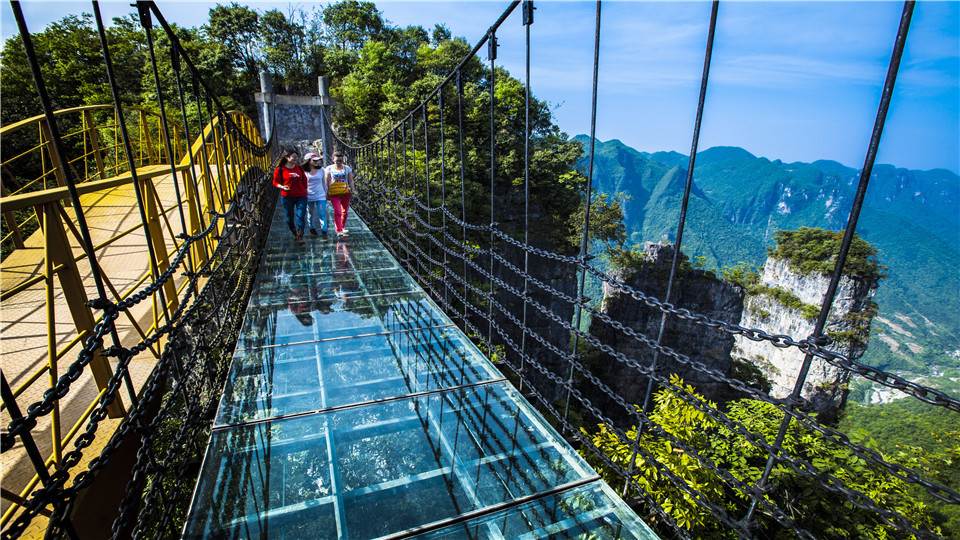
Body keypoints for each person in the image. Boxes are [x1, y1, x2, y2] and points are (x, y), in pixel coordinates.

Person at [273, 147, 308, 243]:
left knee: (301, 215)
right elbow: (275, 182)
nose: (296, 158)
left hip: (301, 195)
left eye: (297, 156)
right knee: (289, 216)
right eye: (294, 157)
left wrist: (306, 192)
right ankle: (294, 232)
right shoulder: (280, 169)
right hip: (287, 196)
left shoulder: (299, 168)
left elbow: (304, 181)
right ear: (287, 158)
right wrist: (282, 187)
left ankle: (300, 236)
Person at [324, 150, 355, 237]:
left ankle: (342, 227)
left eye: (340, 160)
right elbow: (327, 181)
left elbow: (351, 180)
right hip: (334, 192)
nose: (339, 162)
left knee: (345, 212)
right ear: (333, 159)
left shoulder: (347, 168)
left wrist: (352, 191)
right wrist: (326, 192)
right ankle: (339, 230)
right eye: (337, 160)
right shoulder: (329, 168)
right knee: (338, 211)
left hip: (345, 192)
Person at [302, 152, 328, 237]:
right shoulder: (303, 171)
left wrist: (326, 193)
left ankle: (324, 230)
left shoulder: (321, 170)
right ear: (308, 161)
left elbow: (324, 182)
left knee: (321, 213)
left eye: (317, 160)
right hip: (309, 196)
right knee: (310, 213)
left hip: (320, 195)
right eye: (314, 160)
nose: (317, 162)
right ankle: (312, 228)